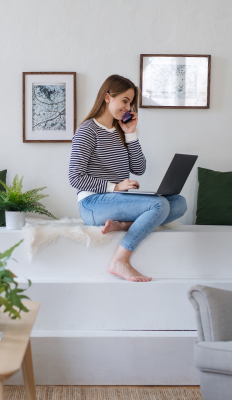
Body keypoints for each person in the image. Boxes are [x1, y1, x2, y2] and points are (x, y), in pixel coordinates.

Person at [68, 74, 187, 282]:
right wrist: (115, 187)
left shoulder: (120, 131)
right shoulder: (87, 131)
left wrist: (130, 134)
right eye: (124, 100)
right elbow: (75, 178)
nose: (128, 107)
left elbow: (139, 168)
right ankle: (120, 260)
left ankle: (122, 225)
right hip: (92, 203)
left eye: (130, 102)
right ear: (107, 97)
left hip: (116, 202)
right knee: (159, 206)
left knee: (178, 203)